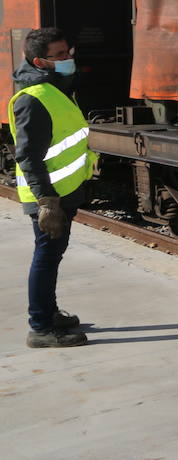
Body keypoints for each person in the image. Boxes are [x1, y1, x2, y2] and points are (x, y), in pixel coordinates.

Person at [10, 27, 95, 348]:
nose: (68, 59)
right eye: (59, 55)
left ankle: (48, 313)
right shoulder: (34, 98)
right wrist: (47, 202)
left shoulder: (53, 88)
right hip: (48, 197)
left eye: (68, 52)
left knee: (52, 256)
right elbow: (28, 156)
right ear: (39, 61)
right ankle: (41, 328)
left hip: (61, 192)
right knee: (46, 257)